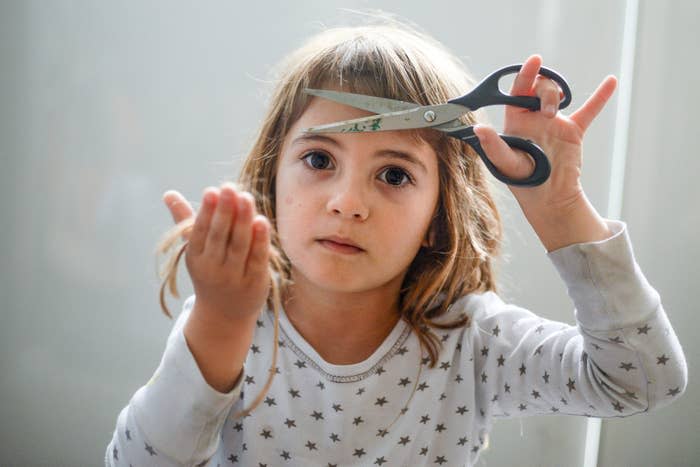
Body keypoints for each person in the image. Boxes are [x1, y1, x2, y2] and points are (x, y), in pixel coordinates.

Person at [105, 18, 687, 467]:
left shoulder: (473, 341)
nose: (347, 202)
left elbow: (643, 379)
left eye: (393, 175)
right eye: (318, 159)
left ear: (439, 215)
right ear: (270, 180)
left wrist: (559, 209)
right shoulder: (228, 323)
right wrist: (218, 325)